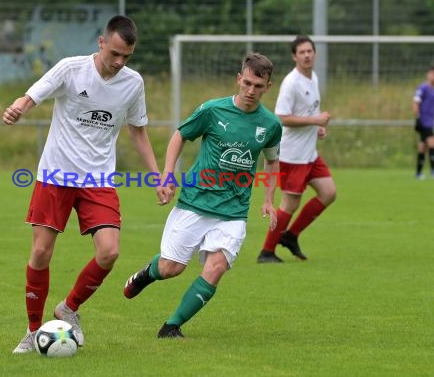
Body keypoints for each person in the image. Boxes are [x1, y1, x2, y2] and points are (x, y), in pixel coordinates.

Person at [3, 15, 164, 353]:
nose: (119, 62)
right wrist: (20, 105)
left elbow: (137, 131)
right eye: (115, 54)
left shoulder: (133, 83)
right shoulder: (71, 69)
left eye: (126, 57)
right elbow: (35, 93)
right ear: (101, 42)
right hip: (56, 174)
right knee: (41, 252)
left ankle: (69, 308)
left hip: (98, 178)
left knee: (110, 251)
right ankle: (33, 332)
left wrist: (157, 175)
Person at [123, 53, 282, 338]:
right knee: (171, 268)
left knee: (217, 266)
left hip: (233, 211)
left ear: (268, 87)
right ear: (238, 79)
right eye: (247, 83)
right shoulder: (212, 110)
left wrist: (269, 199)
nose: (250, 90)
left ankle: (171, 326)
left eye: (258, 86)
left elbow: (271, 161)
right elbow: (180, 135)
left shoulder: (270, 125)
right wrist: (168, 174)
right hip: (195, 203)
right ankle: (146, 274)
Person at [257, 35, 336, 263]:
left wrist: (317, 128)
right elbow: (281, 117)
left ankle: (291, 236)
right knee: (289, 204)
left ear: (315, 53)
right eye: (301, 52)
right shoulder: (291, 83)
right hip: (292, 155)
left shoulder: (313, 78)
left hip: (309, 153)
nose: (307, 55)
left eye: (309, 51)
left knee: (329, 193)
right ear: (294, 56)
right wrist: (315, 121)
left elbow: (309, 112)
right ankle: (266, 251)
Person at [413, 65, 434, 179]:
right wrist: (417, 118)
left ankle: (418, 173)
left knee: (422, 146)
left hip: (430, 122)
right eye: (432, 73)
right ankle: (432, 171)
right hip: (424, 122)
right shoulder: (423, 88)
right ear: (428, 74)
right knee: (432, 143)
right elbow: (416, 102)